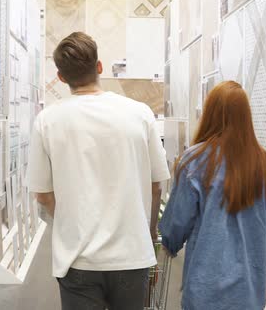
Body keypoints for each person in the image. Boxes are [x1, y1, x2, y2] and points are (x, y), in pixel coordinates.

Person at [27, 32, 170, 310]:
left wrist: (71, 220)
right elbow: (155, 186)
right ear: (100, 66)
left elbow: (43, 195)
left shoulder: (47, 121)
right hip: (132, 254)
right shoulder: (140, 114)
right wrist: (150, 233)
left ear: (61, 76)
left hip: (78, 258)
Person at [159, 81, 266, 310]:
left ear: (211, 114)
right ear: (246, 117)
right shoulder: (264, 163)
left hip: (203, 289)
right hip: (248, 291)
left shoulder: (194, 161)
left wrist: (170, 242)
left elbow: (177, 221)